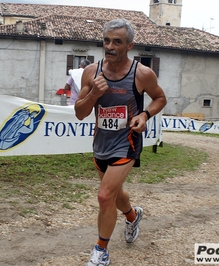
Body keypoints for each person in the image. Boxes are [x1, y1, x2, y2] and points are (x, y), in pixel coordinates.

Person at [74, 18, 167, 266]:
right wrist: (94, 93)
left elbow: (160, 98)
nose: (110, 46)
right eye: (106, 40)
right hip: (101, 142)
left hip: (127, 142)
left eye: (117, 41)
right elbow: (80, 113)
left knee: (104, 196)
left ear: (130, 45)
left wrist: (144, 114)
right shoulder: (91, 72)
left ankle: (101, 251)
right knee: (114, 195)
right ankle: (132, 215)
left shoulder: (142, 73)